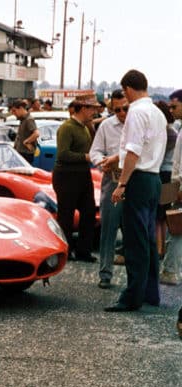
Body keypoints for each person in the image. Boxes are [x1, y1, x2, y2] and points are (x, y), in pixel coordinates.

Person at [105, 69, 167, 312]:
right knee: (148, 239)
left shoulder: (136, 112)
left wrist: (121, 183)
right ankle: (150, 293)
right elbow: (146, 146)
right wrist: (115, 158)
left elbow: (133, 151)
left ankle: (131, 297)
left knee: (134, 241)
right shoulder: (157, 113)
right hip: (153, 179)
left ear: (128, 89)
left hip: (138, 180)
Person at [89, 90, 129, 289]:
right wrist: (101, 162)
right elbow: (95, 150)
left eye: (125, 108)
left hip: (134, 181)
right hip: (112, 180)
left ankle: (136, 277)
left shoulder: (139, 124)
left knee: (135, 229)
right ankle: (105, 272)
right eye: (117, 109)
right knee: (109, 229)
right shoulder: (106, 125)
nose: (122, 113)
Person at [53, 93, 98, 263]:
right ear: (83, 108)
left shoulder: (85, 127)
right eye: (92, 109)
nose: (94, 112)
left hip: (82, 174)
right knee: (66, 215)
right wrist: (85, 157)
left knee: (89, 212)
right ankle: (66, 249)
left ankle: (83, 251)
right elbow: (63, 154)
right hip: (66, 175)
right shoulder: (67, 128)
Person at [161, 89, 182, 286]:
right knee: (170, 222)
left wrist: (179, 187)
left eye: (174, 106)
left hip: (175, 182)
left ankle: (170, 271)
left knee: (174, 227)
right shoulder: (178, 128)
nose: (171, 110)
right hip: (172, 180)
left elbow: (178, 165)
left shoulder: (175, 130)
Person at [155, 101, 178, 259]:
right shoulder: (172, 131)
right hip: (169, 175)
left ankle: (159, 248)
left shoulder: (167, 132)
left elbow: (158, 156)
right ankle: (161, 248)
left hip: (164, 175)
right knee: (163, 215)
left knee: (159, 214)